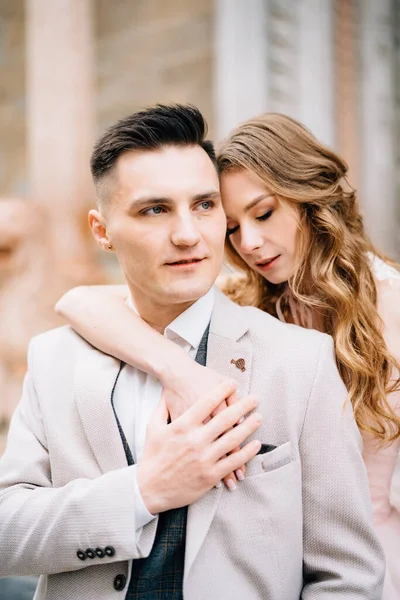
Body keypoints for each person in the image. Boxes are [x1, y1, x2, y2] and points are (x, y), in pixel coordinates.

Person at [0, 105, 384, 600]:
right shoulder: (55, 359)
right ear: (102, 232)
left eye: (204, 205)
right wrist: (144, 492)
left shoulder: (302, 361)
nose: (187, 234)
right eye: (154, 209)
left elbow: (348, 578)